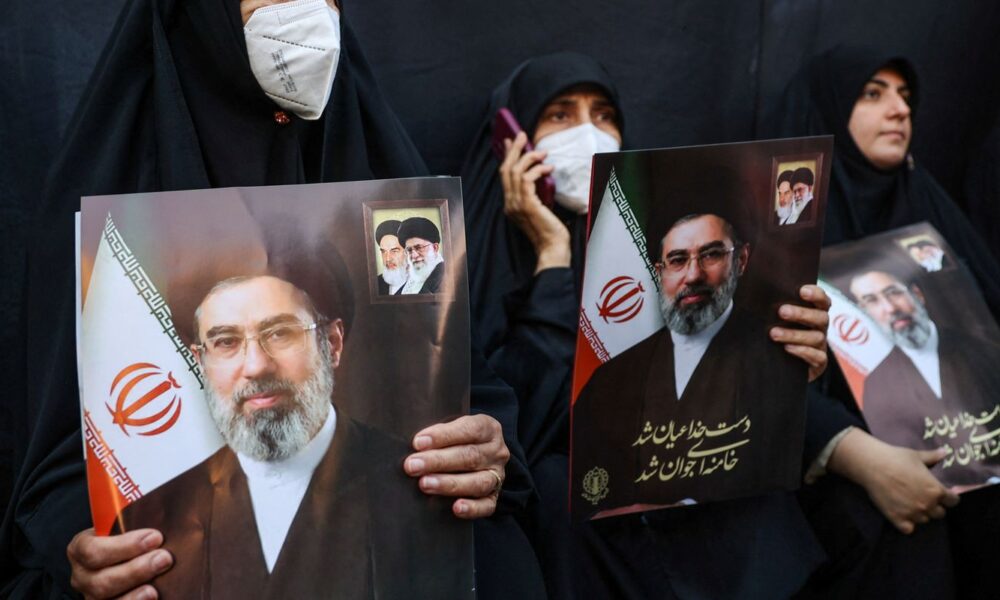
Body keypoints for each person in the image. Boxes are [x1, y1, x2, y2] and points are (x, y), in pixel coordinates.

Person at [1, 1, 543, 598]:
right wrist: (87, 552)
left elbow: (469, 390)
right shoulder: (98, 210)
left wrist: (488, 450)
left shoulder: (380, 174)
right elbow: (57, 466)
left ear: (334, 340)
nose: (303, 8)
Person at [771, 45, 1000, 598]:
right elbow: (754, 377)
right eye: (873, 94)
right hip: (829, 481)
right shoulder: (781, 227)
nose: (900, 110)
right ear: (827, 112)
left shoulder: (927, 206)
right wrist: (858, 455)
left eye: (905, 96)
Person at [112, 274, 467, 597]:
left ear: (332, 344)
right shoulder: (148, 520)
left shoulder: (427, 490)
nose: (256, 366)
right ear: (201, 363)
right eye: (226, 341)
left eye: (280, 333)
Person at [460, 52, 625, 598]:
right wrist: (553, 253)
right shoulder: (472, 260)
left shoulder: (659, 246)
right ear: (512, 141)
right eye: (560, 114)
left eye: (604, 115)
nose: (589, 132)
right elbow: (524, 430)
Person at [572, 212, 815, 517]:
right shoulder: (612, 377)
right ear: (659, 272)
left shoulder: (780, 348)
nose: (693, 275)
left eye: (711, 255)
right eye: (677, 260)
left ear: (741, 259)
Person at [845, 269, 1000, 487]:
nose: (890, 308)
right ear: (865, 312)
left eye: (894, 293)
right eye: (872, 301)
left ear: (917, 294)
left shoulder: (985, 352)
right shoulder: (876, 387)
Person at [397, 217, 444, 294]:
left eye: (419, 247)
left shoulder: (446, 277)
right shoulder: (410, 282)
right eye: (409, 250)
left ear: (435, 248)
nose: (414, 255)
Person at [375, 220, 408, 294]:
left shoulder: (422, 284)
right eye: (383, 251)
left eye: (394, 251)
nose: (388, 259)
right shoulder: (376, 283)